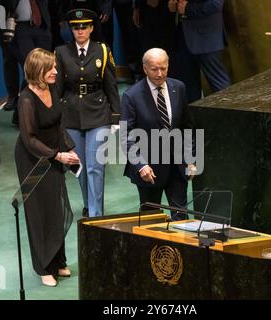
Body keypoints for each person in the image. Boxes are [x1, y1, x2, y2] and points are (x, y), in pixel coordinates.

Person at [15, 48, 79, 287]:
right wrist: (57, 155)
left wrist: (69, 148)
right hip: (32, 160)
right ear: (37, 71)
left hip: (54, 153)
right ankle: (43, 267)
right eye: (50, 68)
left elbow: (58, 124)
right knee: (39, 212)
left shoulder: (50, 88)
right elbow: (29, 139)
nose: (55, 71)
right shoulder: (26, 99)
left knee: (56, 205)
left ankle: (58, 261)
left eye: (54, 67)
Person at [55, 9, 120, 218]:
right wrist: (55, 120)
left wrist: (116, 116)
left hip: (98, 113)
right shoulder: (61, 52)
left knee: (95, 166)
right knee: (80, 168)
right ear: (71, 29)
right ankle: (88, 204)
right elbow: (58, 89)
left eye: (84, 26)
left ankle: (95, 214)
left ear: (91, 28)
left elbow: (110, 83)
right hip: (72, 115)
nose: (80, 30)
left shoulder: (101, 50)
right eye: (76, 27)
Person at [120, 48, 197, 220]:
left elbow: (187, 126)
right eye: (154, 69)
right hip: (149, 170)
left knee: (181, 218)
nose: (160, 73)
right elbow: (127, 137)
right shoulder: (131, 96)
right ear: (145, 68)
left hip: (177, 166)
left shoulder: (179, 87)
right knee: (150, 220)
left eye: (163, 68)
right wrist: (140, 165)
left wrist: (191, 158)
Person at [168, 0, 230, 103]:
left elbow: (216, 4)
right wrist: (173, 4)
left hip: (207, 37)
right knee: (187, 87)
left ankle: (231, 116)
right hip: (182, 36)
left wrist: (187, 9)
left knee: (219, 85)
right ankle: (193, 117)